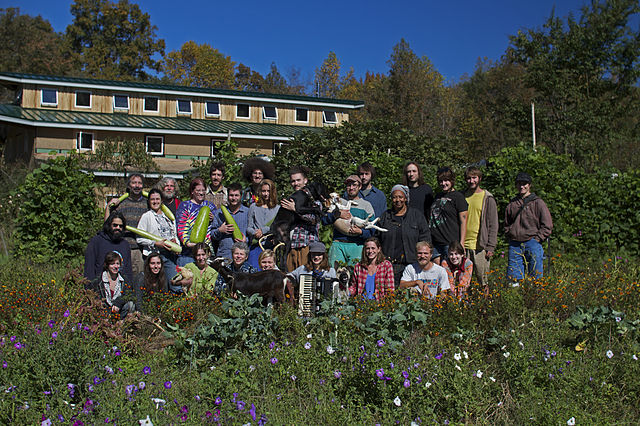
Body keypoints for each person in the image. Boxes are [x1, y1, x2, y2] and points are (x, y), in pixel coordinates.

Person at [377, 185, 430, 285]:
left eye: (400, 197)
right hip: (389, 265)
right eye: (394, 197)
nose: (398, 200)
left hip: (412, 264)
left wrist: (423, 258)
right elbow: (377, 239)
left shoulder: (416, 215)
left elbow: (425, 238)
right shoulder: (385, 216)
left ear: (405, 198)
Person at [505, 172, 553, 281]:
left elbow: (547, 225)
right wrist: (510, 233)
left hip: (533, 243)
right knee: (514, 279)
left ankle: (535, 297)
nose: (522, 186)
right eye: (519, 183)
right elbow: (507, 224)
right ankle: (516, 297)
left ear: (529, 185)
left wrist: (537, 239)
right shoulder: (512, 204)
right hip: (515, 244)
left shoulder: (538, 203)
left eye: (524, 183)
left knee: (536, 278)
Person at [324, 174, 375, 267]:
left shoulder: (367, 205)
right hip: (338, 245)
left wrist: (361, 232)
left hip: (357, 246)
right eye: (348, 185)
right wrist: (338, 214)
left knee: (355, 276)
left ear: (360, 186)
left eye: (354, 185)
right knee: (335, 276)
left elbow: (372, 230)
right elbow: (324, 220)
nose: (351, 188)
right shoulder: (338, 202)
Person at [106, 173, 148, 276]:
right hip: (122, 247)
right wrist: (108, 206)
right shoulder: (120, 204)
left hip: (140, 250)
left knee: (139, 279)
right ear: (129, 185)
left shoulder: (148, 204)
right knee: (122, 278)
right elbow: (108, 224)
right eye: (134, 183)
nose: (137, 186)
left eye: (139, 183)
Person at [464, 166, 498, 288]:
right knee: (464, 280)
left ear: (479, 179)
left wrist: (491, 246)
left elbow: (493, 224)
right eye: (468, 178)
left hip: (480, 246)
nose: (471, 181)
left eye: (474, 178)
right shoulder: (462, 196)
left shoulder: (487, 198)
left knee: (482, 280)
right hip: (464, 246)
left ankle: (485, 304)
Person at [136, 188, 179, 287]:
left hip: (169, 256)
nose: (155, 202)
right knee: (154, 285)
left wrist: (175, 242)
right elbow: (139, 238)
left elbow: (174, 234)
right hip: (154, 256)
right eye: (152, 199)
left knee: (173, 283)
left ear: (161, 200)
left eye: (157, 199)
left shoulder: (169, 217)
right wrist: (155, 243)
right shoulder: (146, 216)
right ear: (149, 201)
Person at [282, 166, 322, 272]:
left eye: (298, 180)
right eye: (293, 181)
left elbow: (314, 219)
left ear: (305, 180)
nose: (296, 183)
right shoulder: (291, 200)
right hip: (292, 246)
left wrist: (295, 209)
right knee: (291, 279)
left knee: (306, 280)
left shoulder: (314, 201)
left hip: (307, 246)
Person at [429, 167, 468, 264]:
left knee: (450, 274)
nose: (443, 183)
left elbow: (463, 221)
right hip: (435, 242)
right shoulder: (437, 196)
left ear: (452, 181)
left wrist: (461, 243)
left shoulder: (458, 197)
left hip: (450, 243)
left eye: (446, 180)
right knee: (436, 274)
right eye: (441, 181)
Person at [176, 177, 216, 266]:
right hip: (188, 254)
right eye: (198, 190)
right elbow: (181, 226)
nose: (201, 193)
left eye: (203, 190)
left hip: (206, 253)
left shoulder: (210, 206)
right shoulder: (185, 206)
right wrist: (187, 243)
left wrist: (214, 219)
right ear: (192, 191)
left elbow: (216, 227)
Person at [84, 212, 133, 284]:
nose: (118, 228)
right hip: (99, 287)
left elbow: (128, 270)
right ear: (109, 225)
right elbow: (89, 267)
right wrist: (90, 287)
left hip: (120, 288)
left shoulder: (125, 245)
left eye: (121, 226)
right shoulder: (97, 241)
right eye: (115, 225)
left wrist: (129, 287)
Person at [87, 251, 137, 319]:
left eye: (117, 264)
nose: (116, 266)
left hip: (119, 312)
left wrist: (118, 303)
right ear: (107, 265)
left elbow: (130, 294)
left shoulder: (124, 280)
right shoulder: (98, 281)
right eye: (112, 264)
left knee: (130, 304)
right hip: (103, 312)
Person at [211, 183, 249, 260]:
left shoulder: (247, 212)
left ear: (241, 196)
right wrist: (220, 230)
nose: (233, 198)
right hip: (224, 254)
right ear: (228, 196)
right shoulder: (219, 213)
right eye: (231, 195)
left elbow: (252, 233)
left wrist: (246, 240)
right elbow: (212, 235)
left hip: (242, 256)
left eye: (236, 195)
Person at [246, 179, 280, 268]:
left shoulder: (277, 209)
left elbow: (276, 227)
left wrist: (263, 230)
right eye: (263, 191)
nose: (266, 194)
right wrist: (255, 233)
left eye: (268, 191)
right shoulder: (253, 207)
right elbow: (249, 227)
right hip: (256, 246)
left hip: (270, 248)